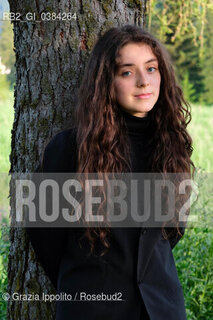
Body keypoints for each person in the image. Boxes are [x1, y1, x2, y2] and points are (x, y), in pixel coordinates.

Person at [27, 25, 194, 319]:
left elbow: (169, 233)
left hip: (161, 309)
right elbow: (45, 239)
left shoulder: (172, 145)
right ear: (107, 81)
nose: (144, 81)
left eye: (152, 69)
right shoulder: (69, 148)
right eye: (127, 72)